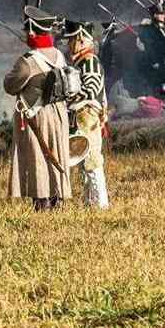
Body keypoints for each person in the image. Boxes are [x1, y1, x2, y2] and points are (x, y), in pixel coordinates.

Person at [4, 6, 71, 211]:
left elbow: (10, 85)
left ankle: (42, 203)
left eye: (27, 31)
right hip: (59, 113)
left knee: (38, 158)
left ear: (32, 31)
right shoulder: (59, 55)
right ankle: (57, 199)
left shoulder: (28, 61)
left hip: (37, 116)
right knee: (56, 154)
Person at [63, 21, 109, 209]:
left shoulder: (90, 61)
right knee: (84, 163)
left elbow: (91, 89)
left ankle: (99, 204)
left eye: (72, 40)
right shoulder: (81, 61)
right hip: (81, 116)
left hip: (87, 115)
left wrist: (70, 94)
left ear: (81, 39)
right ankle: (91, 202)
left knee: (92, 162)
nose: (69, 44)